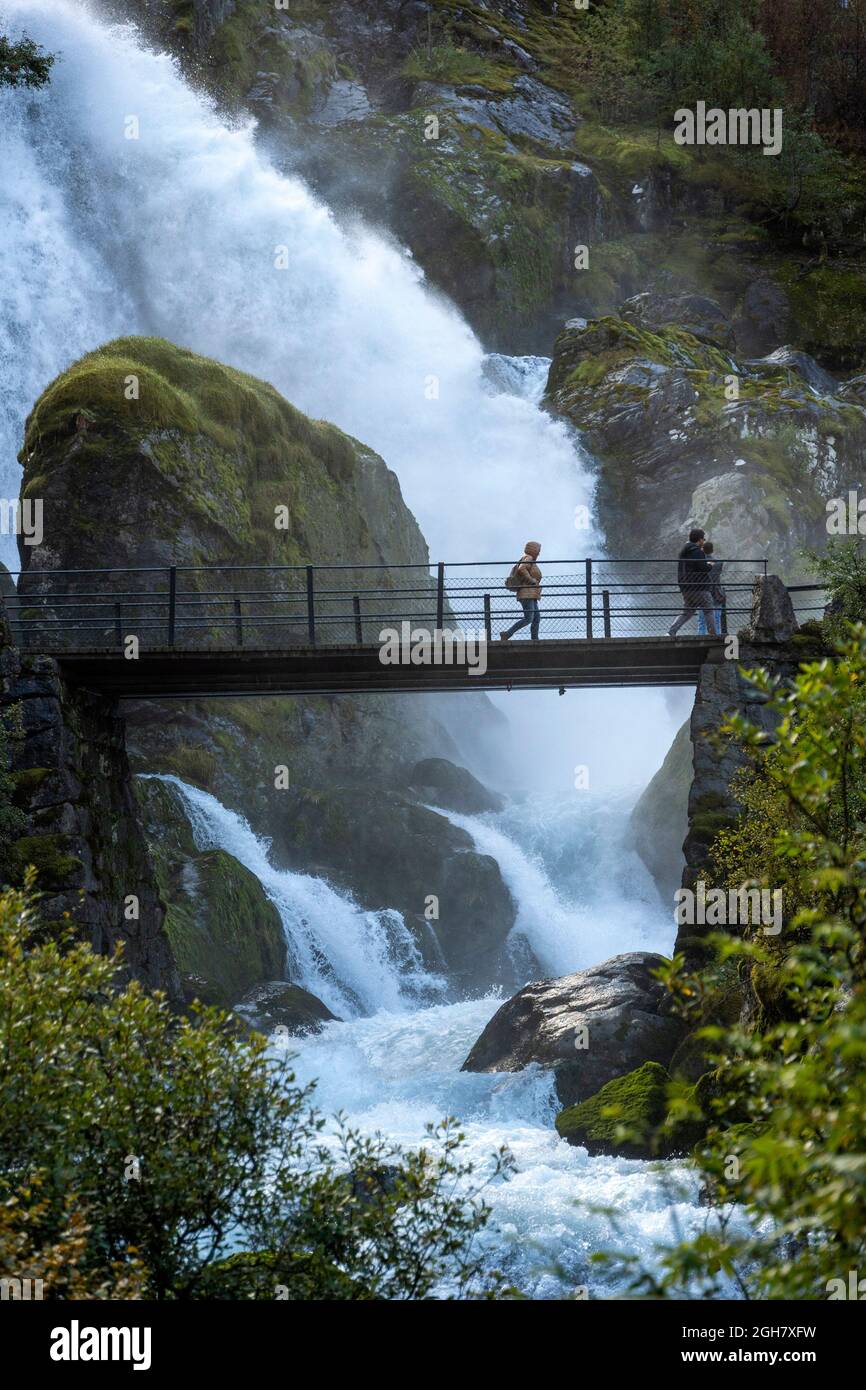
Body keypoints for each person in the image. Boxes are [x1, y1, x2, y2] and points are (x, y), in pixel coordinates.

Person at [668, 528, 718, 637]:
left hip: (686, 588)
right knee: (709, 610)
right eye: (703, 539)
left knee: (687, 613)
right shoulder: (697, 551)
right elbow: (703, 568)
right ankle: (713, 635)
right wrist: (710, 565)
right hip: (699, 588)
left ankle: (671, 632)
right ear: (699, 540)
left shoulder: (683, 551)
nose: (704, 542)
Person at [501, 541, 542, 640]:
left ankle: (535, 638)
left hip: (531, 594)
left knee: (536, 618)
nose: (539, 553)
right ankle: (507, 634)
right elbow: (522, 568)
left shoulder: (530, 559)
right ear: (533, 550)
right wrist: (531, 580)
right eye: (538, 550)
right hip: (526, 594)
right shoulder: (529, 558)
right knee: (529, 618)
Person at [696, 541, 724, 635]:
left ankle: (700, 641)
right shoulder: (719, 563)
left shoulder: (699, 564)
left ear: (702, 550)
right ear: (712, 550)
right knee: (716, 621)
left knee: (702, 621)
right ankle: (718, 640)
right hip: (716, 594)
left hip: (703, 593)